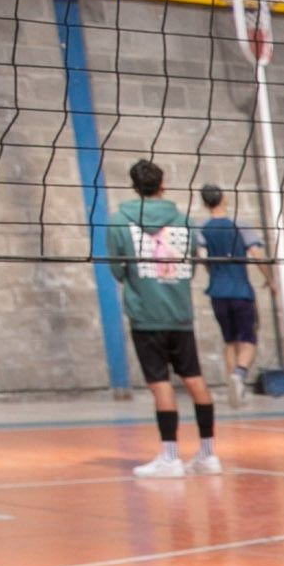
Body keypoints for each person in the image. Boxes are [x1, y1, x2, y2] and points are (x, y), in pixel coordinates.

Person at [107, 160, 219, 479]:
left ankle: (170, 457)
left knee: (160, 385)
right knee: (195, 379)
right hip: (180, 312)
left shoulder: (118, 222)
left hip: (146, 315)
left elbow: (116, 269)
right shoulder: (185, 222)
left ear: (134, 186)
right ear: (163, 184)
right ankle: (208, 455)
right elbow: (194, 263)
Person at [197, 183, 258, 397]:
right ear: (224, 198)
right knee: (248, 341)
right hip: (240, 291)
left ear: (205, 203)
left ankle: (234, 388)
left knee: (229, 341)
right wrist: (271, 280)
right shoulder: (239, 226)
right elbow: (257, 255)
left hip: (217, 292)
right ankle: (238, 375)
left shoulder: (202, 230)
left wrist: (213, 271)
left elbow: (202, 258)